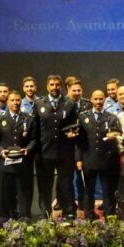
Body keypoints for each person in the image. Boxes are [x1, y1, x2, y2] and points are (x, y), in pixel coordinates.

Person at [33, 75, 79, 219]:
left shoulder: (70, 104)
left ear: (61, 86)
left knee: (66, 184)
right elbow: (35, 130)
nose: (54, 87)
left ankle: (68, 211)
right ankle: (44, 212)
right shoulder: (38, 104)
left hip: (65, 152)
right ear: (47, 86)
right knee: (45, 185)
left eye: (57, 85)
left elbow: (75, 127)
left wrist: (74, 134)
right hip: (44, 152)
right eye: (52, 85)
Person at [76, 90, 122, 220]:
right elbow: (79, 141)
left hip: (107, 159)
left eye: (101, 99)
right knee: (88, 190)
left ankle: (110, 215)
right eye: (96, 99)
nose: (98, 102)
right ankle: (89, 215)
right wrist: (78, 159)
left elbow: (119, 133)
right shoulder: (82, 117)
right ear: (91, 100)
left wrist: (115, 136)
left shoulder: (111, 117)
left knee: (108, 190)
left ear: (104, 100)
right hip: (88, 158)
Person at [0, 90, 37, 222]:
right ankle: (6, 217)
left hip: (23, 163)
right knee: (6, 192)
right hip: (6, 164)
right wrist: (1, 151)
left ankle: (24, 216)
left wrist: (28, 149)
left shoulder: (29, 119)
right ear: (8, 101)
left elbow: (34, 139)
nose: (15, 103)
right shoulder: (0, 119)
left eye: (18, 100)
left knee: (24, 192)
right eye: (12, 100)